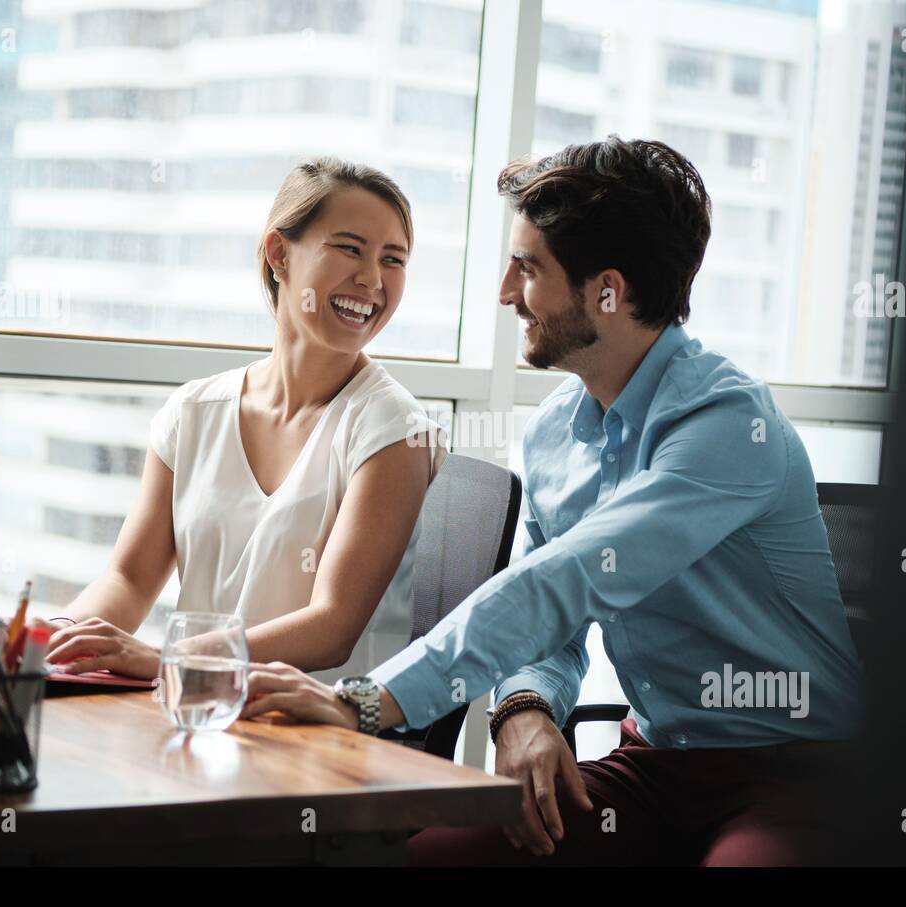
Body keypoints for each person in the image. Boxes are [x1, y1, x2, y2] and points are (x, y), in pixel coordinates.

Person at [237, 137, 868, 866]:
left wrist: (365, 702)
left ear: (608, 290)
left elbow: (565, 581)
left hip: (797, 773)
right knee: (433, 858)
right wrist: (526, 707)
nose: (506, 292)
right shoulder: (553, 436)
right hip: (657, 764)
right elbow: (547, 626)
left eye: (528, 268)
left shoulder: (729, 427)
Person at [35, 158, 446, 684]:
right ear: (279, 253)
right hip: (195, 712)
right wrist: (51, 638)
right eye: (350, 248)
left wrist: (170, 660)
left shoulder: (394, 430)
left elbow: (333, 625)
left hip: (312, 739)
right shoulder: (193, 413)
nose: (372, 279)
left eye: (394, 259)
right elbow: (130, 580)